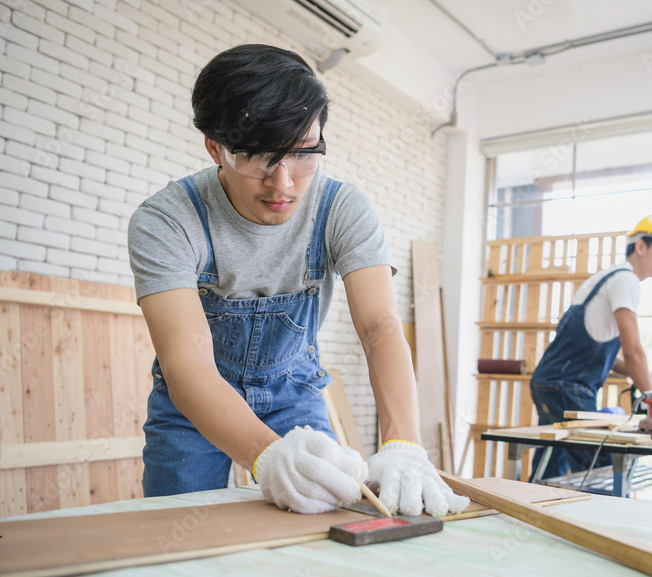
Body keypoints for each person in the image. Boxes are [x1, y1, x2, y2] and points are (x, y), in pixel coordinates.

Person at [127, 44, 468, 518]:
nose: (283, 183)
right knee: (179, 527)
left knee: (319, 523)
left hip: (295, 395)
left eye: (304, 154)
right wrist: (267, 457)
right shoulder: (167, 221)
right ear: (215, 147)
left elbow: (380, 327)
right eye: (258, 158)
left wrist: (403, 444)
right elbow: (188, 367)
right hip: (192, 406)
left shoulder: (342, 210)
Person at [529, 214, 652, 480]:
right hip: (567, 385)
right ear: (641, 247)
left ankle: (529, 516)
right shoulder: (626, 281)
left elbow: (600, 354)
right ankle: (593, 521)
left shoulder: (609, 277)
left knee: (550, 471)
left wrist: (646, 380)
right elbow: (633, 352)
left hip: (552, 383)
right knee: (600, 467)